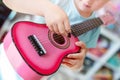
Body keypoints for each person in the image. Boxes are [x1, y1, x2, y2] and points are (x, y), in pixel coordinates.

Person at [0, 0, 115, 80]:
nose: (89, 0)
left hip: (34, 74)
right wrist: (47, 9)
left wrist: (77, 65)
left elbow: (77, 62)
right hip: (7, 54)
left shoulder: (94, 28)